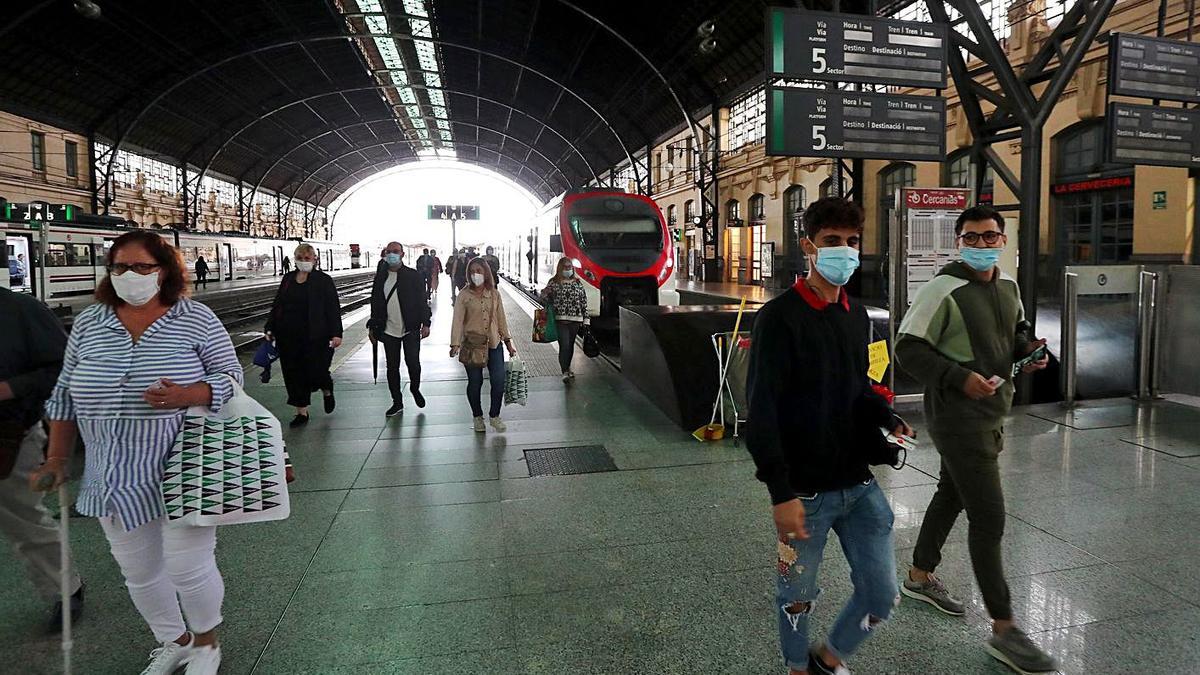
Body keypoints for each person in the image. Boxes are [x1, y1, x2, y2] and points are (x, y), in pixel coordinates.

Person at [29, 230, 242, 675]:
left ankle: (206, 644)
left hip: (186, 464)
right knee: (139, 571)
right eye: (121, 266)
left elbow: (231, 378)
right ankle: (174, 641)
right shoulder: (91, 322)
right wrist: (56, 458)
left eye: (142, 266)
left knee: (187, 566)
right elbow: (66, 393)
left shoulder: (195, 318)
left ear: (165, 269)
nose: (131, 275)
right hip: (112, 473)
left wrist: (190, 393)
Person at [744, 197, 912, 675]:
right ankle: (797, 667)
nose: (845, 251)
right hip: (806, 494)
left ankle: (830, 657)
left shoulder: (855, 314)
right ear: (808, 247)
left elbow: (856, 384)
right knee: (796, 597)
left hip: (859, 486)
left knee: (882, 593)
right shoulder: (778, 318)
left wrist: (885, 416)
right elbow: (763, 412)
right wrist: (781, 492)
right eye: (832, 242)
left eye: (853, 242)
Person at [895, 205, 1054, 674]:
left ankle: (919, 575)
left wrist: (1028, 348)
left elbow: (1018, 328)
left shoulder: (1007, 285)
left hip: (992, 410)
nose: (982, 245)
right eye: (972, 237)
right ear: (958, 241)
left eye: (990, 237)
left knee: (951, 492)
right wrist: (958, 378)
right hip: (957, 417)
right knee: (990, 518)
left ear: (1003, 240)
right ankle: (1005, 630)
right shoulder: (942, 289)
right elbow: (908, 347)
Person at [0, 285, 84, 632]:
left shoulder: (20, 310)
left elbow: (63, 370)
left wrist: (11, 388)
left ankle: (66, 591)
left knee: (25, 521)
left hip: (10, 436)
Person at [264, 244, 343, 427]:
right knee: (293, 373)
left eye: (307, 258)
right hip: (288, 336)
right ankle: (301, 412)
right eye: (300, 257)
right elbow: (278, 305)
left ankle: (326, 388)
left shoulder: (323, 280)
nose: (303, 261)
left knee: (316, 370)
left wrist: (336, 333)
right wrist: (270, 327)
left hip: (317, 335)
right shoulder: (288, 279)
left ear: (314, 259)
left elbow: (333, 308)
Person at [449, 259, 517, 433]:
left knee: (498, 380)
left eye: (478, 270)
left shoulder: (494, 294)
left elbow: (501, 318)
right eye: (472, 271)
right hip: (472, 345)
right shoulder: (464, 295)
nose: (475, 274)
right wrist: (455, 343)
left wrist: (508, 341)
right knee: (475, 382)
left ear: (486, 272)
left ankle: (494, 416)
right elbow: (457, 320)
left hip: (494, 343)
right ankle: (477, 417)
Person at [368, 242, 431, 418]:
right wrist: (373, 327)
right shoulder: (380, 277)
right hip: (388, 330)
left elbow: (421, 300)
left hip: (410, 328)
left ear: (402, 254)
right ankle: (397, 402)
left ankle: (415, 388)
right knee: (392, 367)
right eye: (388, 252)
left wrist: (426, 323)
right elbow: (375, 302)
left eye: (395, 252)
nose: (391, 255)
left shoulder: (412, 275)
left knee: (413, 363)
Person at [539, 257, 587, 383]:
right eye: (566, 267)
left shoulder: (577, 282)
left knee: (570, 346)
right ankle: (564, 371)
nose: (568, 269)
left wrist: (586, 319)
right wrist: (544, 293)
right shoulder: (553, 282)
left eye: (570, 267)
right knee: (564, 345)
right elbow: (544, 299)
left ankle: (568, 367)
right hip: (560, 320)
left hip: (575, 320)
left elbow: (583, 301)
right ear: (560, 268)